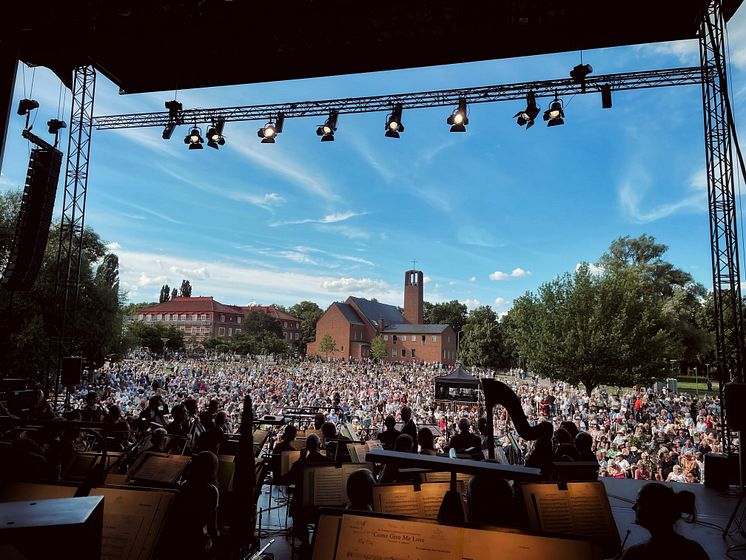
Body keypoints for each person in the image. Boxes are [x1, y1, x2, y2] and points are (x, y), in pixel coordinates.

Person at [620, 482, 708, 559]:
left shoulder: (635, 554)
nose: (634, 507)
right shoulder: (694, 550)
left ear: (654, 510)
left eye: (639, 503)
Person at [163, 451, 220, 560]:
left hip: (181, 538)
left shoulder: (184, 485)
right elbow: (213, 527)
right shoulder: (211, 490)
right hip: (199, 541)